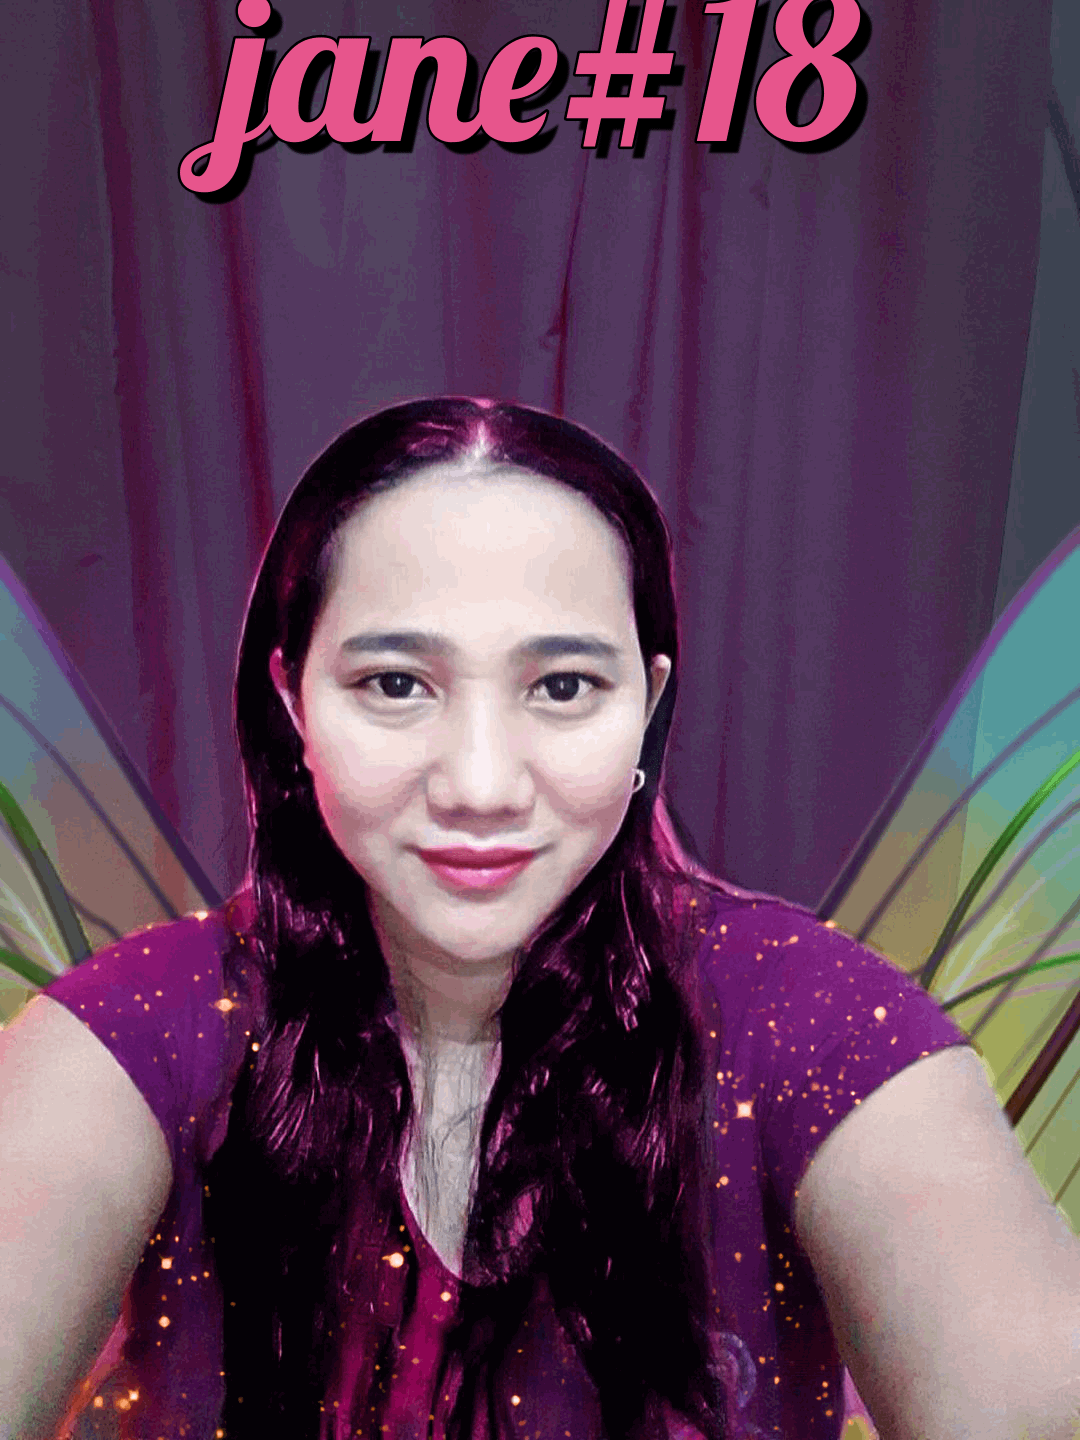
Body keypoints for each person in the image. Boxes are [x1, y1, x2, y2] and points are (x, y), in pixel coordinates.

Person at [2, 398, 1079, 1440]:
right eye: (395, 684)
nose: (481, 786)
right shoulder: (140, 1029)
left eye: (562, 687)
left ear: (648, 704)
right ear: (292, 699)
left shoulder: (809, 1019)